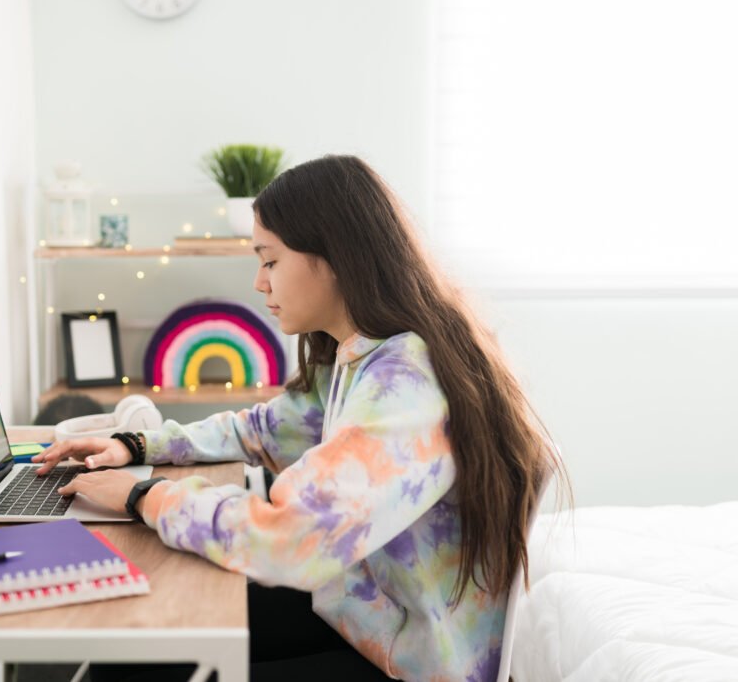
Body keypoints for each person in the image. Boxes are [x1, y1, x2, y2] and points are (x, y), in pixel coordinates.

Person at [32, 155, 566, 681]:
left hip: (411, 663)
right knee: (137, 648)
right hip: (364, 616)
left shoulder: (406, 386)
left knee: (139, 667)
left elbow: (291, 541)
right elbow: (262, 429)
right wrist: (137, 445)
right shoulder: (364, 356)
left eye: (270, 261)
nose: (259, 284)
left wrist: (141, 497)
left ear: (335, 257)